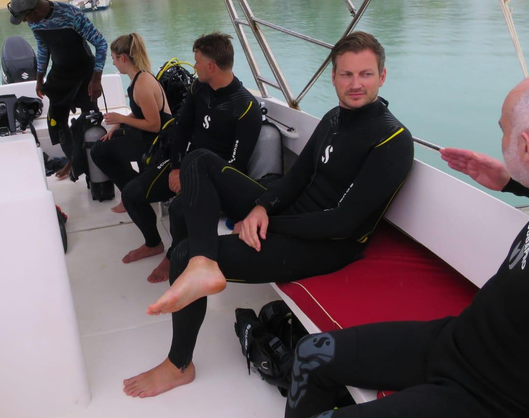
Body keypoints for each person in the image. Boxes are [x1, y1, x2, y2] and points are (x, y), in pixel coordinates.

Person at [282, 71, 529, 418]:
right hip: (462, 341)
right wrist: (511, 181)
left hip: (502, 402)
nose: (500, 138)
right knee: (313, 354)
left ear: (528, 147)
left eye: (504, 131)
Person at [123, 31, 414, 399]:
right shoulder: (334, 118)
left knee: (181, 254)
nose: (356, 84)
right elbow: (295, 180)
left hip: (327, 245)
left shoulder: (392, 140)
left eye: (366, 74)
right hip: (293, 216)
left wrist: (266, 222)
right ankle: (203, 264)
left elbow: (345, 223)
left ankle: (179, 364)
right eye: (346, 74)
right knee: (199, 160)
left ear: (382, 76)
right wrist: (262, 207)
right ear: (334, 76)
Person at [117, 31, 262, 268]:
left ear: (211, 66)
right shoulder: (198, 88)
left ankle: (175, 254)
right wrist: (176, 168)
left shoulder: (245, 107)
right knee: (131, 194)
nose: (194, 67)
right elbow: (181, 129)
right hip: (185, 164)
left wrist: (193, 180)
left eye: (197, 62)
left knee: (179, 209)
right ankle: (153, 242)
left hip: (216, 179)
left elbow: (235, 166)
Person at [8, 0, 108, 180]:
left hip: (85, 72)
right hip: (61, 73)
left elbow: (101, 44)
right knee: (56, 121)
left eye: (24, 17)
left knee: (90, 121)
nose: (24, 22)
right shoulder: (34, 21)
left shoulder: (71, 14)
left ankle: (93, 167)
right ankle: (72, 160)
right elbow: (43, 47)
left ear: (35, 11)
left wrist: (96, 79)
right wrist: (40, 78)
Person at [90, 33, 171, 215]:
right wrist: (117, 126)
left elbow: (154, 125)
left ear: (123, 58)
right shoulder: (139, 77)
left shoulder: (142, 84)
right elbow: (141, 110)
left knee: (99, 152)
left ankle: (132, 193)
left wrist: (122, 119)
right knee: (107, 142)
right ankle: (133, 189)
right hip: (149, 136)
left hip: (157, 142)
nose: (113, 63)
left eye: (113, 59)